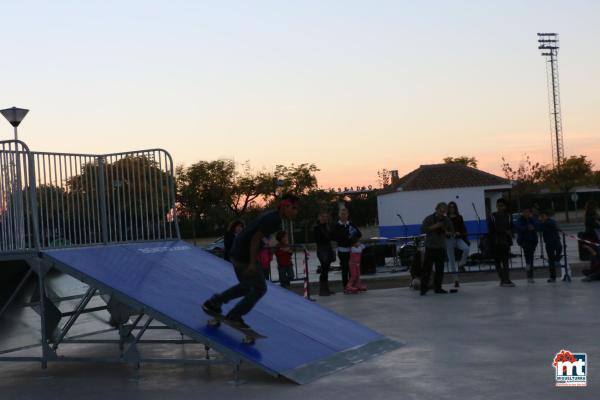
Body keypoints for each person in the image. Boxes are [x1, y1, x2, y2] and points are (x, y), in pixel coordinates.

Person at [202, 194, 299, 329]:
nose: (296, 212)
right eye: (294, 208)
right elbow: (255, 239)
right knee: (259, 288)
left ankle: (214, 302)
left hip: (239, 252)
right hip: (243, 255)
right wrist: (253, 263)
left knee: (247, 286)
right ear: (285, 206)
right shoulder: (273, 219)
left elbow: (259, 238)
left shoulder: (272, 216)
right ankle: (234, 315)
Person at [420, 202, 454, 295]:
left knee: (440, 269)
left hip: (441, 247)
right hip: (430, 247)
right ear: (436, 209)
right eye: (441, 210)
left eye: (444, 211)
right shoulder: (429, 218)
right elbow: (422, 229)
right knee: (427, 269)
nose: (442, 212)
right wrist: (434, 226)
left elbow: (451, 231)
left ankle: (438, 288)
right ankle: (423, 289)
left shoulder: (446, 220)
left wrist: (447, 232)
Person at [487, 198, 515, 287]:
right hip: (495, 242)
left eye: (502, 206)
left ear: (505, 206)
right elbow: (491, 229)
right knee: (497, 262)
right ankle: (503, 280)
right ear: (496, 206)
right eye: (498, 206)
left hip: (505, 242)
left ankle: (507, 279)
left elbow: (511, 227)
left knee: (506, 262)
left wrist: (511, 232)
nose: (500, 207)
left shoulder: (509, 216)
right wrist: (504, 231)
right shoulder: (492, 216)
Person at [333, 208, 362, 288]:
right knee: (345, 268)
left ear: (348, 215)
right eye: (342, 214)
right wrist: (347, 238)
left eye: (345, 214)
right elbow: (336, 237)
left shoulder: (351, 224)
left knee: (352, 269)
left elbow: (359, 234)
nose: (344, 216)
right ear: (339, 215)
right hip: (342, 251)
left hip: (352, 251)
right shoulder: (337, 226)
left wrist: (355, 240)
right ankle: (345, 286)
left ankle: (352, 285)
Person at [446, 201, 470, 288]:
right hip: (449, 240)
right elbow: (443, 230)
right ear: (448, 208)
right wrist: (451, 233)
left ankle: (461, 264)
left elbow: (463, 228)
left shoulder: (459, 217)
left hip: (458, 238)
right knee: (451, 260)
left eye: (453, 207)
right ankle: (456, 280)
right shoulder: (445, 218)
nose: (452, 208)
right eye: (450, 207)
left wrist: (460, 233)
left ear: (455, 208)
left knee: (466, 248)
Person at [514, 208, 539, 283]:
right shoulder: (520, 219)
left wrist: (533, 223)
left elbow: (537, 225)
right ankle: (529, 275)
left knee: (530, 256)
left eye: (528, 212)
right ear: (522, 213)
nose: (526, 214)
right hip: (524, 241)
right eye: (525, 212)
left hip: (533, 240)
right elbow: (518, 228)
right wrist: (527, 228)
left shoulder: (532, 219)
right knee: (528, 256)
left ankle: (529, 269)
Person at [314, 212, 335, 296]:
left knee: (326, 269)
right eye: (322, 217)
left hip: (328, 248)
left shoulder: (328, 226)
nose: (324, 218)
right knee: (324, 268)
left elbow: (331, 236)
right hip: (322, 249)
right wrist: (327, 237)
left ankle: (326, 289)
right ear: (319, 218)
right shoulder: (317, 228)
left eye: (326, 217)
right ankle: (322, 290)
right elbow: (318, 239)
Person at [538, 210, 562, 283]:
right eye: (541, 216)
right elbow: (539, 229)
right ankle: (552, 276)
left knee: (559, 249)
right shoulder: (542, 223)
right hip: (548, 243)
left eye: (543, 216)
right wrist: (542, 223)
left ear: (547, 216)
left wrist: (543, 223)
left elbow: (553, 225)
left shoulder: (551, 221)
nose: (542, 218)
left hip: (555, 240)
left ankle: (557, 259)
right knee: (551, 259)